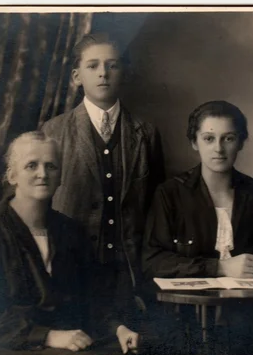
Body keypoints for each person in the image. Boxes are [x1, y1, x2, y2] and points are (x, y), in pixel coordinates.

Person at [0, 131, 140, 355]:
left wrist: (118, 329)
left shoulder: (70, 230)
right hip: (4, 348)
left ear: (61, 176)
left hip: (60, 343)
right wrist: (48, 336)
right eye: (31, 166)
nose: (42, 174)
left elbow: (93, 298)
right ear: (12, 175)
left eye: (51, 166)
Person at [40, 33, 165, 323]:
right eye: (93, 65)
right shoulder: (54, 131)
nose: (103, 73)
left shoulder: (145, 133)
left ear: (124, 73)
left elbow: (156, 207)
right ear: (76, 76)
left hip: (130, 273)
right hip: (73, 273)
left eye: (112, 65)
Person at [142, 100, 253, 355]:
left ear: (241, 142)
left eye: (228, 138)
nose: (218, 149)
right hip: (185, 323)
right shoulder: (170, 194)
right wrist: (219, 268)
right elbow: (153, 262)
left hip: (247, 325)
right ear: (195, 142)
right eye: (209, 138)